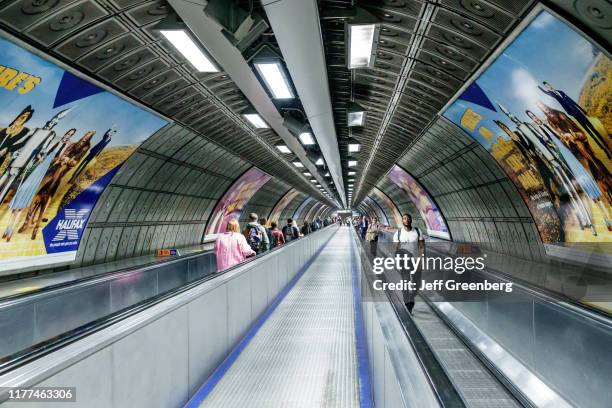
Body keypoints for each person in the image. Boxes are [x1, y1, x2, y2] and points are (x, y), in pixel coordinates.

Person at [538, 81, 611, 158]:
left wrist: (583, 110)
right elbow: (547, 93)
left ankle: (607, 147)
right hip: (574, 115)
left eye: (548, 85)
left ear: (550, 85)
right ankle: (605, 150)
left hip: (579, 112)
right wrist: (540, 88)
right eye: (546, 87)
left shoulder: (561, 92)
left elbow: (572, 101)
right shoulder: (555, 95)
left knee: (594, 130)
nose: (548, 87)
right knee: (590, 133)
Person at [393, 213, 425, 315]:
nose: (406, 220)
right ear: (402, 221)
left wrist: (421, 259)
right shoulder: (398, 233)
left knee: (417, 285)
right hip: (404, 262)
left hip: (415, 261)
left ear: (411, 220)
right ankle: (408, 304)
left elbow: (422, 247)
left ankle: (412, 296)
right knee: (405, 282)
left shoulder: (417, 231)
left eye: (408, 218)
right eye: (404, 218)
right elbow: (396, 248)